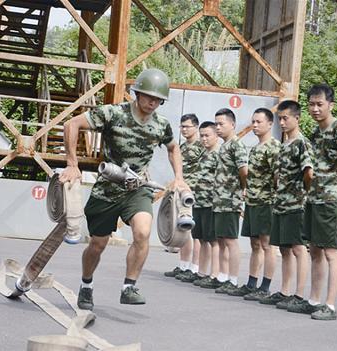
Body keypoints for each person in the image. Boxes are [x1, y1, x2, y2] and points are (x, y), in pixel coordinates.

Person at [60, 68, 188, 310]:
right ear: (136, 93)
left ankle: (129, 287)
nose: (153, 102)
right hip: (108, 187)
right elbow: (72, 124)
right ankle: (86, 285)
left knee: (142, 232)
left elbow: (173, 148)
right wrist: (72, 164)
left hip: (137, 187)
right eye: (149, 96)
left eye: (158, 99)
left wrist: (179, 177)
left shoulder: (161, 125)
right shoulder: (113, 113)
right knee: (98, 244)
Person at [302, 84, 337, 321]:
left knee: (332, 253)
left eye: (320, 104)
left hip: (333, 198)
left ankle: (330, 306)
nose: (315, 109)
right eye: (312, 104)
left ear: (330, 105)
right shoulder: (315, 133)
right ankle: (314, 301)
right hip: (314, 198)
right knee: (314, 250)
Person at [264, 100, 313, 312]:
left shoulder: (302, 143)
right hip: (281, 204)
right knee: (284, 249)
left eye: (286, 118)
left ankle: (300, 295)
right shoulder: (285, 144)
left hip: (296, 204)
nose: (282, 122)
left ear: (297, 118)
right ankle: (284, 291)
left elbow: (309, 173)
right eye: (280, 118)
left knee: (298, 248)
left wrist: (302, 194)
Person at [228, 108, 280, 301]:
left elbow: (277, 176)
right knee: (255, 244)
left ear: (269, 124)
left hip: (267, 202)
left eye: (259, 122)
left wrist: (271, 195)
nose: (255, 126)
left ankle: (265, 286)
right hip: (253, 201)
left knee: (267, 245)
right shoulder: (257, 147)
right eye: (253, 122)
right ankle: (251, 283)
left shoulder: (273, 147)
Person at [211, 108, 248, 294]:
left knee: (231, 241)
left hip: (230, 200)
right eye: (216, 124)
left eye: (221, 124)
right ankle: (222, 276)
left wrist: (242, 188)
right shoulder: (223, 145)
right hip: (219, 200)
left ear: (232, 125)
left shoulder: (236, 145)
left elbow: (244, 171)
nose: (217, 127)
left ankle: (232, 280)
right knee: (222, 240)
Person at [164, 114, 203, 283]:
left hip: (196, 192)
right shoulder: (181, 147)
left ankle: (195, 268)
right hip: (182, 192)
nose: (184, 129)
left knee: (195, 233)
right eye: (182, 127)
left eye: (187, 126)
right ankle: (184, 265)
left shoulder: (202, 146)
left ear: (196, 127)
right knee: (183, 230)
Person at [188, 121, 220, 287]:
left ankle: (215, 274)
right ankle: (201, 272)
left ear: (216, 135)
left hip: (211, 203)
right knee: (200, 237)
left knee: (213, 240)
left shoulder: (218, 155)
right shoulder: (203, 154)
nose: (204, 139)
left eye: (207, 135)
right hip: (199, 201)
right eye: (202, 135)